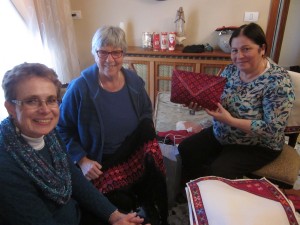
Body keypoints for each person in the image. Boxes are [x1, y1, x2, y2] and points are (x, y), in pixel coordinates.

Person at [0, 62, 147, 225]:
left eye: (51, 100)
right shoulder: (6, 167)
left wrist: (114, 215)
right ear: (11, 108)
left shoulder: (50, 134)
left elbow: (73, 176)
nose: (45, 110)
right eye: (32, 101)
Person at [57, 26, 168, 225]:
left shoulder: (134, 82)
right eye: (103, 52)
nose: (110, 59)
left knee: (153, 189)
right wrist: (82, 160)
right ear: (94, 53)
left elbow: (145, 113)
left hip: (132, 155)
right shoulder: (79, 88)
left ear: (123, 53)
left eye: (116, 52)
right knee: (118, 205)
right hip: (100, 163)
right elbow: (62, 128)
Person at [178, 23, 295, 182]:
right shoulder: (230, 70)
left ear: (262, 49)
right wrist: (200, 103)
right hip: (223, 133)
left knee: (218, 169)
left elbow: (272, 129)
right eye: (234, 50)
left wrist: (230, 121)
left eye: (246, 49)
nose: (239, 56)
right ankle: (192, 193)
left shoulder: (278, 81)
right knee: (187, 148)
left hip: (257, 145)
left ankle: (212, 199)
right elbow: (217, 99)